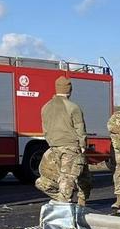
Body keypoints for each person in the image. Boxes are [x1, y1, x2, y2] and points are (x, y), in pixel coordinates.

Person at [35, 76, 90, 204]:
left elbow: (45, 129)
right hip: (71, 146)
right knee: (69, 177)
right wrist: (82, 145)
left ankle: (74, 199)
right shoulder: (73, 107)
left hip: (54, 147)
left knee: (76, 174)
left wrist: (52, 144)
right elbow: (80, 128)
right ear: (69, 90)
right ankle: (65, 204)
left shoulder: (45, 107)